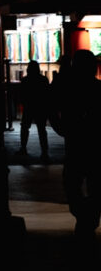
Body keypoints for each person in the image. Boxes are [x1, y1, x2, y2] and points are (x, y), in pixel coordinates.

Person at [51, 48, 101, 238]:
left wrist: (61, 128)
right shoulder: (98, 89)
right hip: (96, 146)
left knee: (72, 184)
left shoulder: (67, 90)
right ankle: (90, 216)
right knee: (95, 185)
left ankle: (83, 214)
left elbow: (52, 110)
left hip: (75, 144)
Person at [18, 59, 50, 161]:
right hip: (40, 107)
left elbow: (22, 95)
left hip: (29, 107)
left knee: (24, 128)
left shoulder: (25, 80)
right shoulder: (44, 80)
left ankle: (23, 148)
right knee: (42, 130)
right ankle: (44, 152)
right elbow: (46, 95)